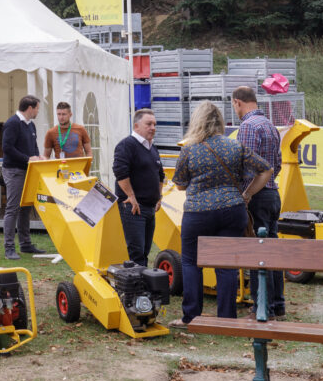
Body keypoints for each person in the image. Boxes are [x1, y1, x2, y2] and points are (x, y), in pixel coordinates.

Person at [169, 101, 272, 328]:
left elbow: (179, 185)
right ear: (221, 122)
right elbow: (266, 169)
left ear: (197, 121)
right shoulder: (234, 146)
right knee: (226, 265)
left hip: (198, 212)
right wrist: (247, 194)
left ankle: (191, 317)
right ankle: (226, 319)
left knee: (190, 262)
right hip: (232, 209)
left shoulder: (189, 149)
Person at [231, 86, 284, 319]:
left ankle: (261, 307)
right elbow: (278, 164)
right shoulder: (270, 126)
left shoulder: (247, 127)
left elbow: (247, 168)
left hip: (256, 195)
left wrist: (245, 194)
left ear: (237, 103)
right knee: (272, 251)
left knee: (258, 253)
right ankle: (277, 305)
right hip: (272, 193)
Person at [112, 109, 164, 267]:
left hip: (149, 208)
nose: (153, 127)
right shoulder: (126, 145)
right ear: (136, 126)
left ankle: (144, 286)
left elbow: (160, 175)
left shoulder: (152, 148)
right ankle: (138, 290)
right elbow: (120, 173)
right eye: (148, 124)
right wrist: (131, 197)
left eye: (154, 124)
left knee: (145, 251)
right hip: (133, 207)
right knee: (136, 253)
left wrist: (159, 197)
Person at [1, 95, 46, 260]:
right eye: (37, 108)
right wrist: (28, 159)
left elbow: (33, 147)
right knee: (13, 208)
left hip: (27, 171)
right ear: (30, 108)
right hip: (14, 171)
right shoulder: (12, 123)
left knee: (25, 207)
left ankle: (25, 244)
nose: (38, 111)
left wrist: (38, 156)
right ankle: (9, 248)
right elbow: (7, 148)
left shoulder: (30, 125)